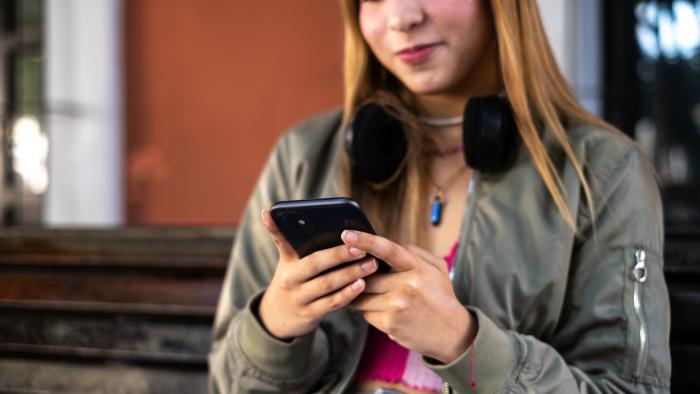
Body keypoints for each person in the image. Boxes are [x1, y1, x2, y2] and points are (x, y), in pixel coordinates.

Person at [208, 0, 671, 393]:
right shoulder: (303, 154)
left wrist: (465, 345)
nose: (401, 17)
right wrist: (276, 326)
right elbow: (226, 381)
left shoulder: (604, 172)